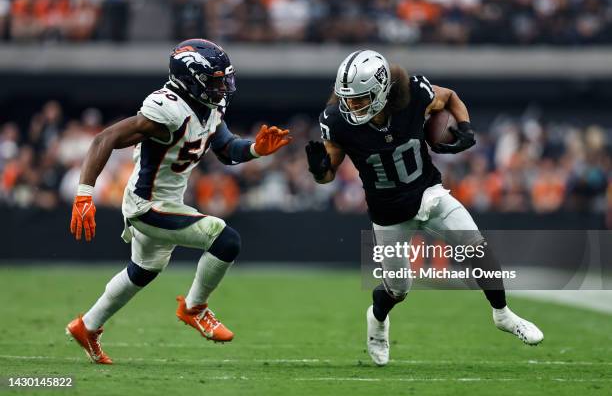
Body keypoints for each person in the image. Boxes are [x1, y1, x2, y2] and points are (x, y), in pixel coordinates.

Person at [305, 49, 543, 366]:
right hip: (388, 213)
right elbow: (327, 176)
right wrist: (320, 169)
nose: (351, 105)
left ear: (380, 91)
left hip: (428, 193)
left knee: (477, 249)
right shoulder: (338, 121)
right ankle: (376, 321)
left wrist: (466, 127)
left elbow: (450, 97)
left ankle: (502, 314)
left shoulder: (414, 94)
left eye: (360, 98)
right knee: (398, 289)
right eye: (347, 98)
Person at [66, 39, 292, 364]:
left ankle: (87, 326)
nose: (223, 87)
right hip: (147, 206)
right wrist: (84, 194)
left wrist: (256, 149)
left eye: (224, 79)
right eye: (215, 81)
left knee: (143, 270)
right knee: (225, 239)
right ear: (192, 79)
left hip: (165, 201)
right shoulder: (167, 108)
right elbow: (106, 138)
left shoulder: (210, 108)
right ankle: (195, 307)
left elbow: (226, 148)